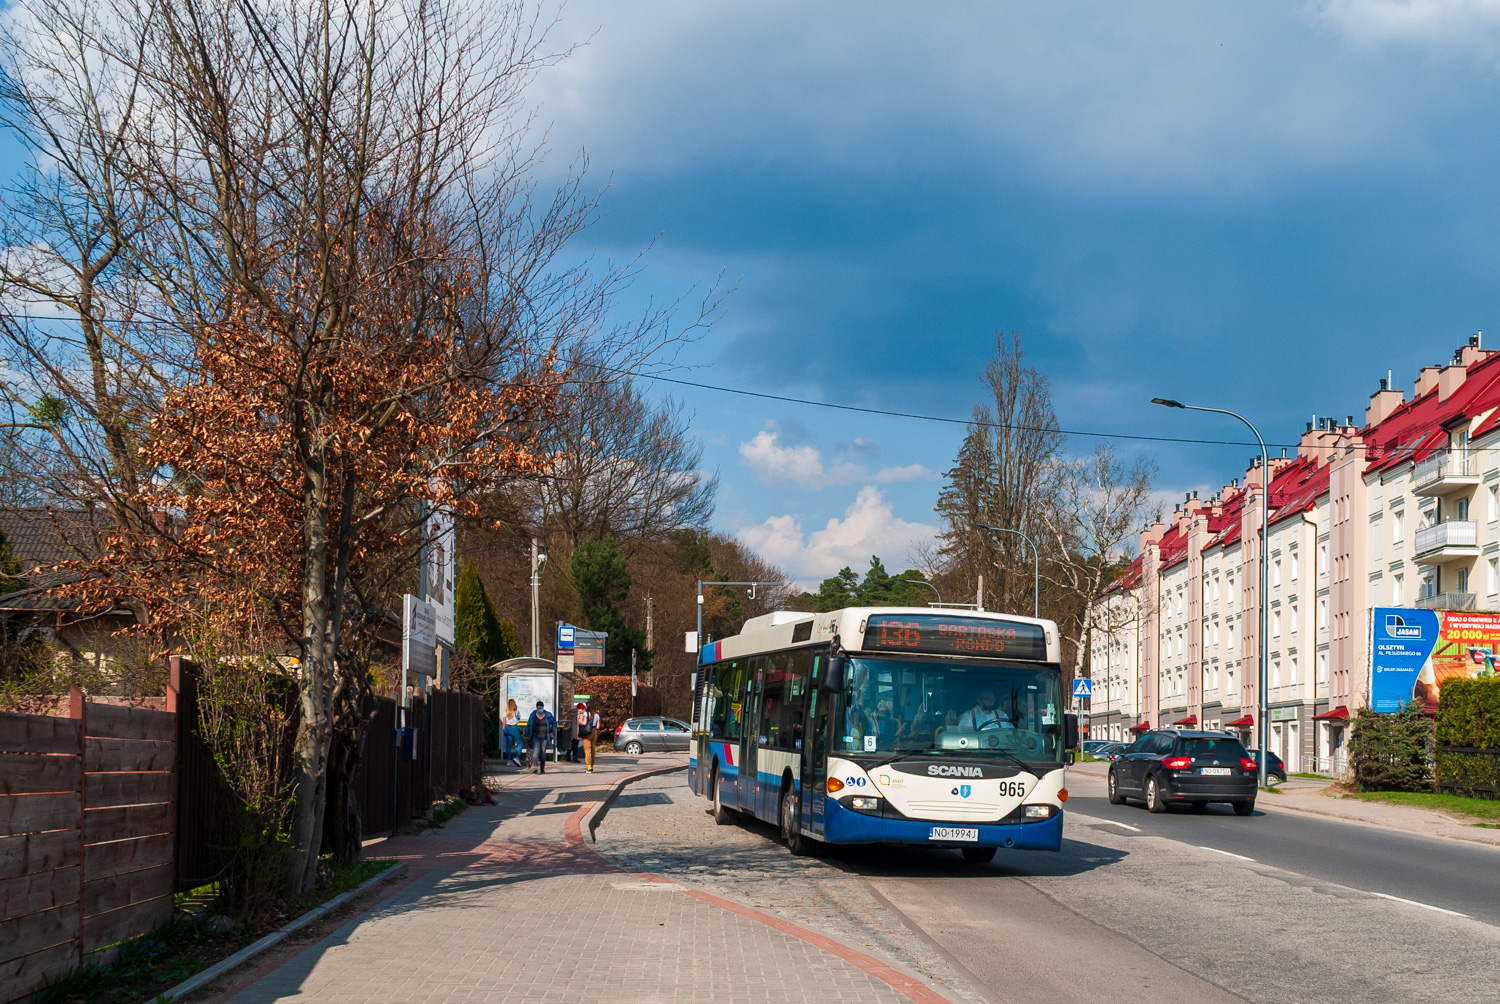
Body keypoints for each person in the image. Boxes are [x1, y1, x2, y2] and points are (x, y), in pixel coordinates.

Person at [525, 700, 555, 774]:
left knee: (543, 753)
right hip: (535, 736)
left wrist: (552, 732)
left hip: (545, 736)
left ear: (543, 707)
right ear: (536, 707)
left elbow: (554, 723)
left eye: (541, 707)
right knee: (536, 751)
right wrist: (526, 735)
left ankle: (542, 768)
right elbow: (529, 725)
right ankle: (535, 767)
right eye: (538, 708)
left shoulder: (548, 715)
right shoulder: (533, 715)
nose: (539, 709)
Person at [577, 701, 601, 772]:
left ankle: (589, 767)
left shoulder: (586, 713)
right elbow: (598, 726)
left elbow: (584, 723)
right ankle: (592, 766)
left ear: (587, 707)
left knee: (587, 750)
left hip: (587, 732)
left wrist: (579, 722)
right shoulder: (597, 715)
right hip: (594, 732)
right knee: (593, 750)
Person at [502, 699, 523, 767]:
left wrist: (504, 731)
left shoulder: (505, 712)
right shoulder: (516, 711)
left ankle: (509, 761)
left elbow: (504, 723)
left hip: (507, 728)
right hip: (514, 728)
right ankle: (516, 758)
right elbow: (519, 718)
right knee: (520, 744)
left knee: (509, 745)